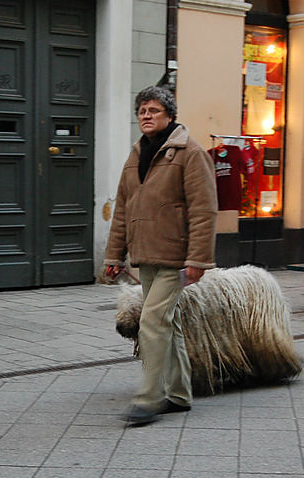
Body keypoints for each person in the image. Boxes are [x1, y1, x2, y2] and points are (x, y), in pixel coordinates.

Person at [104, 86, 218, 425]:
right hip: (146, 254)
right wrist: (114, 255)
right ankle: (179, 396)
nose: (146, 116)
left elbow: (204, 211)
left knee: (152, 323)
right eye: (141, 111)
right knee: (170, 324)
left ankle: (149, 398)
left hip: (174, 256)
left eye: (153, 110)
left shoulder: (189, 153)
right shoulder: (137, 154)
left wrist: (198, 260)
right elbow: (123, 208)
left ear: (169, 115)